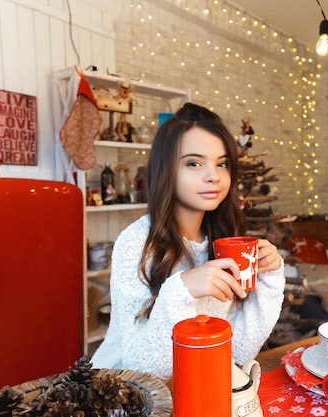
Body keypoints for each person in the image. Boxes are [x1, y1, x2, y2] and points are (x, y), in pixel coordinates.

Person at [91, 103, 286, 380]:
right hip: (122, 393)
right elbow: (141, 369)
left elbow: (237, 350)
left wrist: (269, 278)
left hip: (196, 387)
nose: (213, 176)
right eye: (194, 163)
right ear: (166, 169)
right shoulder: (136, 244)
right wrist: (182, 289)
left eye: (222, 163)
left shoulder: (221, 239)